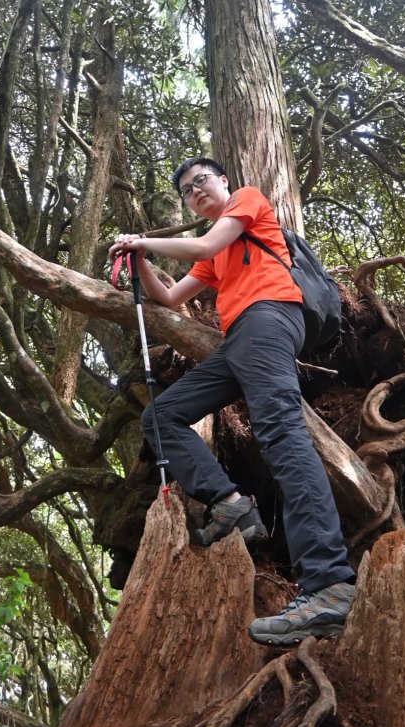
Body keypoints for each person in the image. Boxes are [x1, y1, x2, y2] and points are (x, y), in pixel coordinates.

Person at [109, 157, 356, 647]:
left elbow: (205, 243)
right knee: (161, 416)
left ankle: (329, 584)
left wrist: (142, 241)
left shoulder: (248, 200)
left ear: (223, 181)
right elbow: (172, 297)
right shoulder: (215, 256)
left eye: (201, 181)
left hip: (269, 318)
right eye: (186, 190)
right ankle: (230, 505)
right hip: (240, 340)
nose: (195, 191)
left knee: (280, 434)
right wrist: (140, 262)